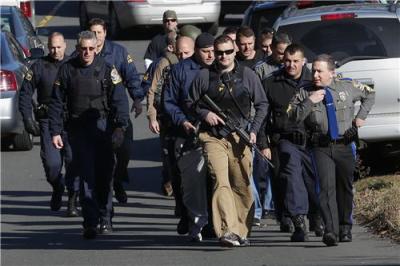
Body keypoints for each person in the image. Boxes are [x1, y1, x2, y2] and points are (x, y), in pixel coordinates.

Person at [287, 54, 375, 246]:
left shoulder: (347, 85)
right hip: (320, 147)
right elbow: (291, 117)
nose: (315, 75)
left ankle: (345, 227)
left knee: (345, 187)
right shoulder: (304, 92)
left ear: (332, 73)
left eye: (320, 71)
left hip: (344, 144)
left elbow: (370, 93)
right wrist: (309, 102)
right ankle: (331, 231)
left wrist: (361, 117)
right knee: (325, 189)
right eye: (314, 71)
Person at [189, 35, 268, 247]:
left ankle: (241, 231)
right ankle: (227, 230)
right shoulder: (204, 76)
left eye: (228, 52)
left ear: (235, 52)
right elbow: (190, 102)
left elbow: (262, 104)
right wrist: (205, 114)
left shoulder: (247, 75)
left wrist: (253, 131)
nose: (223, 56)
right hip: (213, 137)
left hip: (240, 137)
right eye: (219, 52)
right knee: (220, 181)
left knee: (241, 184)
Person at [48, 31, 129, 239]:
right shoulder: (67, 70)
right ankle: (90, 222)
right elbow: (56, 103)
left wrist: (120, 127)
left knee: (104, 177)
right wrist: (55, 131)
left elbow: (119, 100)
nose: (87, 53)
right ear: (77, 49)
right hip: (78, 129)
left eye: (91, 49)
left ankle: (106, 217)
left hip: (103, 128)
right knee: (86, 177)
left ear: (96, 48)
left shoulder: (107, 69)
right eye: (83, 49)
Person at [258, 44, 321, 242]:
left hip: (313, 141)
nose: (291, 65)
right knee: (290, 179)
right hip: (284, 139)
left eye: (295, 61)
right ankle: (298, 220)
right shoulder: (271, 83)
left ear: (303, 61)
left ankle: (317, 217)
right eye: (287, 61)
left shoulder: (316, 79)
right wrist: (263, 144)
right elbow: (262, 116)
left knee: (313, 182)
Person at [19, 32, 79, 217]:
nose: (55, 50)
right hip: (47, 121)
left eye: (59, 47)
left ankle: (72, 200)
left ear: (65, 46)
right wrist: (28, 119)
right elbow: (25, 94)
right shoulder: (39, 67)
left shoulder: (73, 66)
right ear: (48, 46)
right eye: (52, 47)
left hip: (70, 122)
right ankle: (57, 186)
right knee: (52, 165)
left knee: (72, 162)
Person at [163, 33, 215, 242]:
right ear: (196, 51)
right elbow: (168, 101)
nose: (211, 56)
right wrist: (182, 120)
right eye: (206, 51)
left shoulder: (220, 69)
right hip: (186, 134)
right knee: (189, 181)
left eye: (213, 51)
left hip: (214, 134)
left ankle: (212, 223)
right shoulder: (180, 71)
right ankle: (192, 221)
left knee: (214, 179)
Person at [89, 18, 144, 204]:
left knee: (125, 151)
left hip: (117, 112)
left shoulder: (118, 52)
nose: (96, 37)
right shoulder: (83, 54)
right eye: (92, 33)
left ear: (105, 33)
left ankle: (118, 180)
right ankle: (105, 190)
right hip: (95, 114)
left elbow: (132, 77)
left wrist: (137, 99)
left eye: (99, 32)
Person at [147, 35, 194, 198]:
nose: (183, 57)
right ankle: (170, 180)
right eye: (180, 53)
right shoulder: (165, 65)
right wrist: (152, 117)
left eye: (187, 53)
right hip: (168, 121)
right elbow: (153, 91)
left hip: (191, 122)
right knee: (169, 158)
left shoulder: (199, 68)